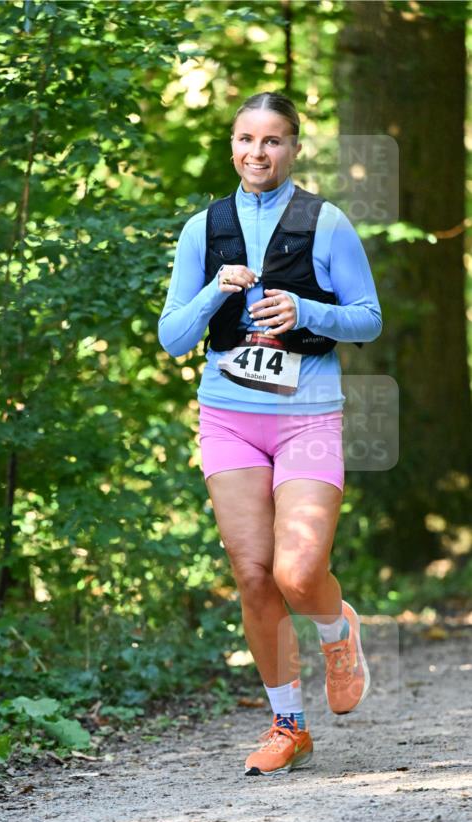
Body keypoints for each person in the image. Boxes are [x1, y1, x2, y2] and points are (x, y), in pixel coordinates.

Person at [158, 91, 382, 777]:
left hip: (307, 415)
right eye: (245, 139)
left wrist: (306, 307)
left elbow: (367, 319)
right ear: (231, 145)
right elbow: (172, 338)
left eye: (273, 140)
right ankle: (288, 725)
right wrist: (215, 292)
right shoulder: (204, 228)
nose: (257, 153)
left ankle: (335, 629)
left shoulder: (326, 222)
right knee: (253, 576)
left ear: (293, 148)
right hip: (228, 418)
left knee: (296, 570)